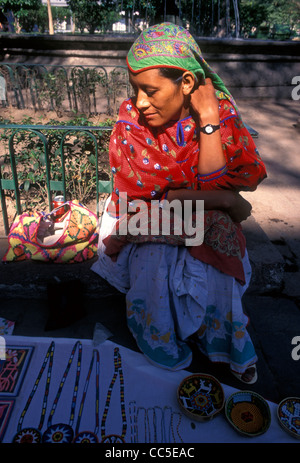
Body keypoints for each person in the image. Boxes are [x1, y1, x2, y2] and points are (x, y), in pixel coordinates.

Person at [91, 23, 267, 383]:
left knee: (219, 243)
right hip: (144, 216)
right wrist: (220, 200)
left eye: (150, 90)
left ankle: (221, 340)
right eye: (135, 89)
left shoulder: (221, 116)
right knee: (157, 255)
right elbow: (146, 200)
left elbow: (221, 182)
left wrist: (208, 120)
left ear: (187, 83)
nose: (139, 102)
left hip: (197, 217)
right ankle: (160, 340)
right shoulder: (131, 124)